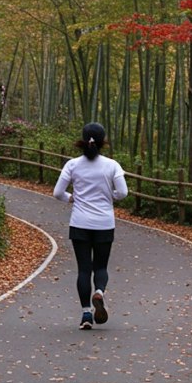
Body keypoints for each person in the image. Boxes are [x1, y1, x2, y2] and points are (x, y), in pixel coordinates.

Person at [52, 122, 128, 330]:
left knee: (84, 269)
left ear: (84, 139)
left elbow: (58, 192)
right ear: (103, 141)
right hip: (104, 222)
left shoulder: (73, 165)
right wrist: (108, 197)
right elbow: (122, 193)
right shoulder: (112, 165)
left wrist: (72, 199)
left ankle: (86, 314)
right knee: (101, 266)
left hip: (80, 223)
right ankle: (100, 292)